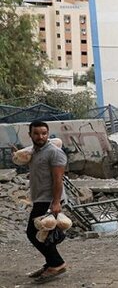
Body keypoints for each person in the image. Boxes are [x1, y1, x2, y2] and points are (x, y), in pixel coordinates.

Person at [12, 121, 68, 283]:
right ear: (30, 134)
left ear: (48, 133)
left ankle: (56, 263)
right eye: (36, 133)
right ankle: (51, 263)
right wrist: (18, 156)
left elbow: (58, 180)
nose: (40, 136)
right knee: (44, 233)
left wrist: (56, 203)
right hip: (39, 198)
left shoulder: (54, 153)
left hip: (49, 200)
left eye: (44, 133)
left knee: (33, 233)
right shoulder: (34, 152)